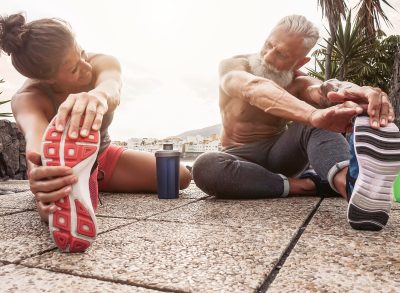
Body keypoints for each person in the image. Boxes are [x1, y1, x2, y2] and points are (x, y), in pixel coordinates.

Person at [0, 13, 191, 252]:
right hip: (63, 170)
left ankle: (90, 182)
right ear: (46, 80)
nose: (86, 66)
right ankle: (69, 191)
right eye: (73, 70)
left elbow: (112, 86)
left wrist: (98, 97)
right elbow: (35, 140)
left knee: (180, 177)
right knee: (48, 207)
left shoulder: (102, 61)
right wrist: (41, 171)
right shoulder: (27, 98)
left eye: (81, 52)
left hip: (104, 155)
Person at [192, 15, 400, 231]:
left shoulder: (297, 82)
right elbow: (253, 87)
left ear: (300, 62)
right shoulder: (234, 66)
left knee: (319, 121)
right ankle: (307, 185)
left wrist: (356, 92)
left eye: (281, 53)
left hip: (280, 155)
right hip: (237, 158)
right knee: (205, 167)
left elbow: (325, 89)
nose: (268, 56)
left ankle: (350, 186)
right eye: (269, 44)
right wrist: (311, 114)